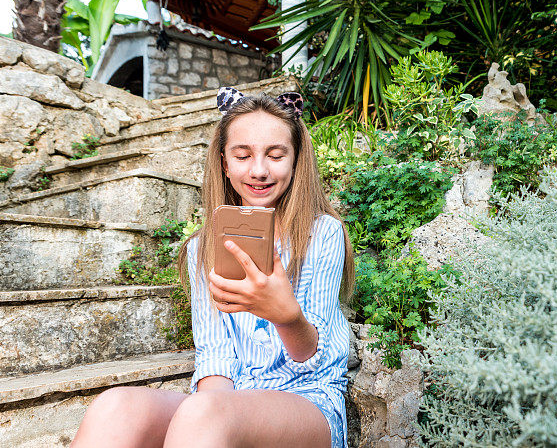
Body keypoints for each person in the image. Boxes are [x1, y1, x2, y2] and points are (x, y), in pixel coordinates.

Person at [70, 87, 355, 448]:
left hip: (308, 401)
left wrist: (286, 317)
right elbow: (215, 355)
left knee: (206, 413)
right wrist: (216, 407)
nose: (260, 170)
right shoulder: (203, 248)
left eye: (276, 154)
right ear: (224, 163)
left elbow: (318, 364)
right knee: (116, 407)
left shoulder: (320, 233)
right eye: (242, 155)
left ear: (296, 160)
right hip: (231, 402)